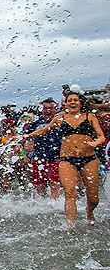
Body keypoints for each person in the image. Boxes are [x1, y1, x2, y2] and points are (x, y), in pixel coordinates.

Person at [24, 91, 106, 226]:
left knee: (93, 198)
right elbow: (45, 130)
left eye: (75, 100)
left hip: (88, 158)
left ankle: (90, 210)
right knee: (70, 192)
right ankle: (70, 226)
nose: (73, 102)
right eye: (70, 100)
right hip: (67, 159)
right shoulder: (60, 118)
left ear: (80, 103)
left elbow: (101, 136)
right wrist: (28, 136)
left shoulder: (89, 116)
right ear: (66, 104)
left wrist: (95, 143)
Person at [23, 98, 62, 199]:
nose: (48, 111)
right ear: (42, 110)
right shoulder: (36, 123)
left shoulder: (61, 123)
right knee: (39, 186)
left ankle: (55, 206)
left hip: (56, 158)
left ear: (55, 109)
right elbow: (25, 136)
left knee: (55, 184)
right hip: (39, 158)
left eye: (50, 108)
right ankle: (43, 205)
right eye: (45, 108)